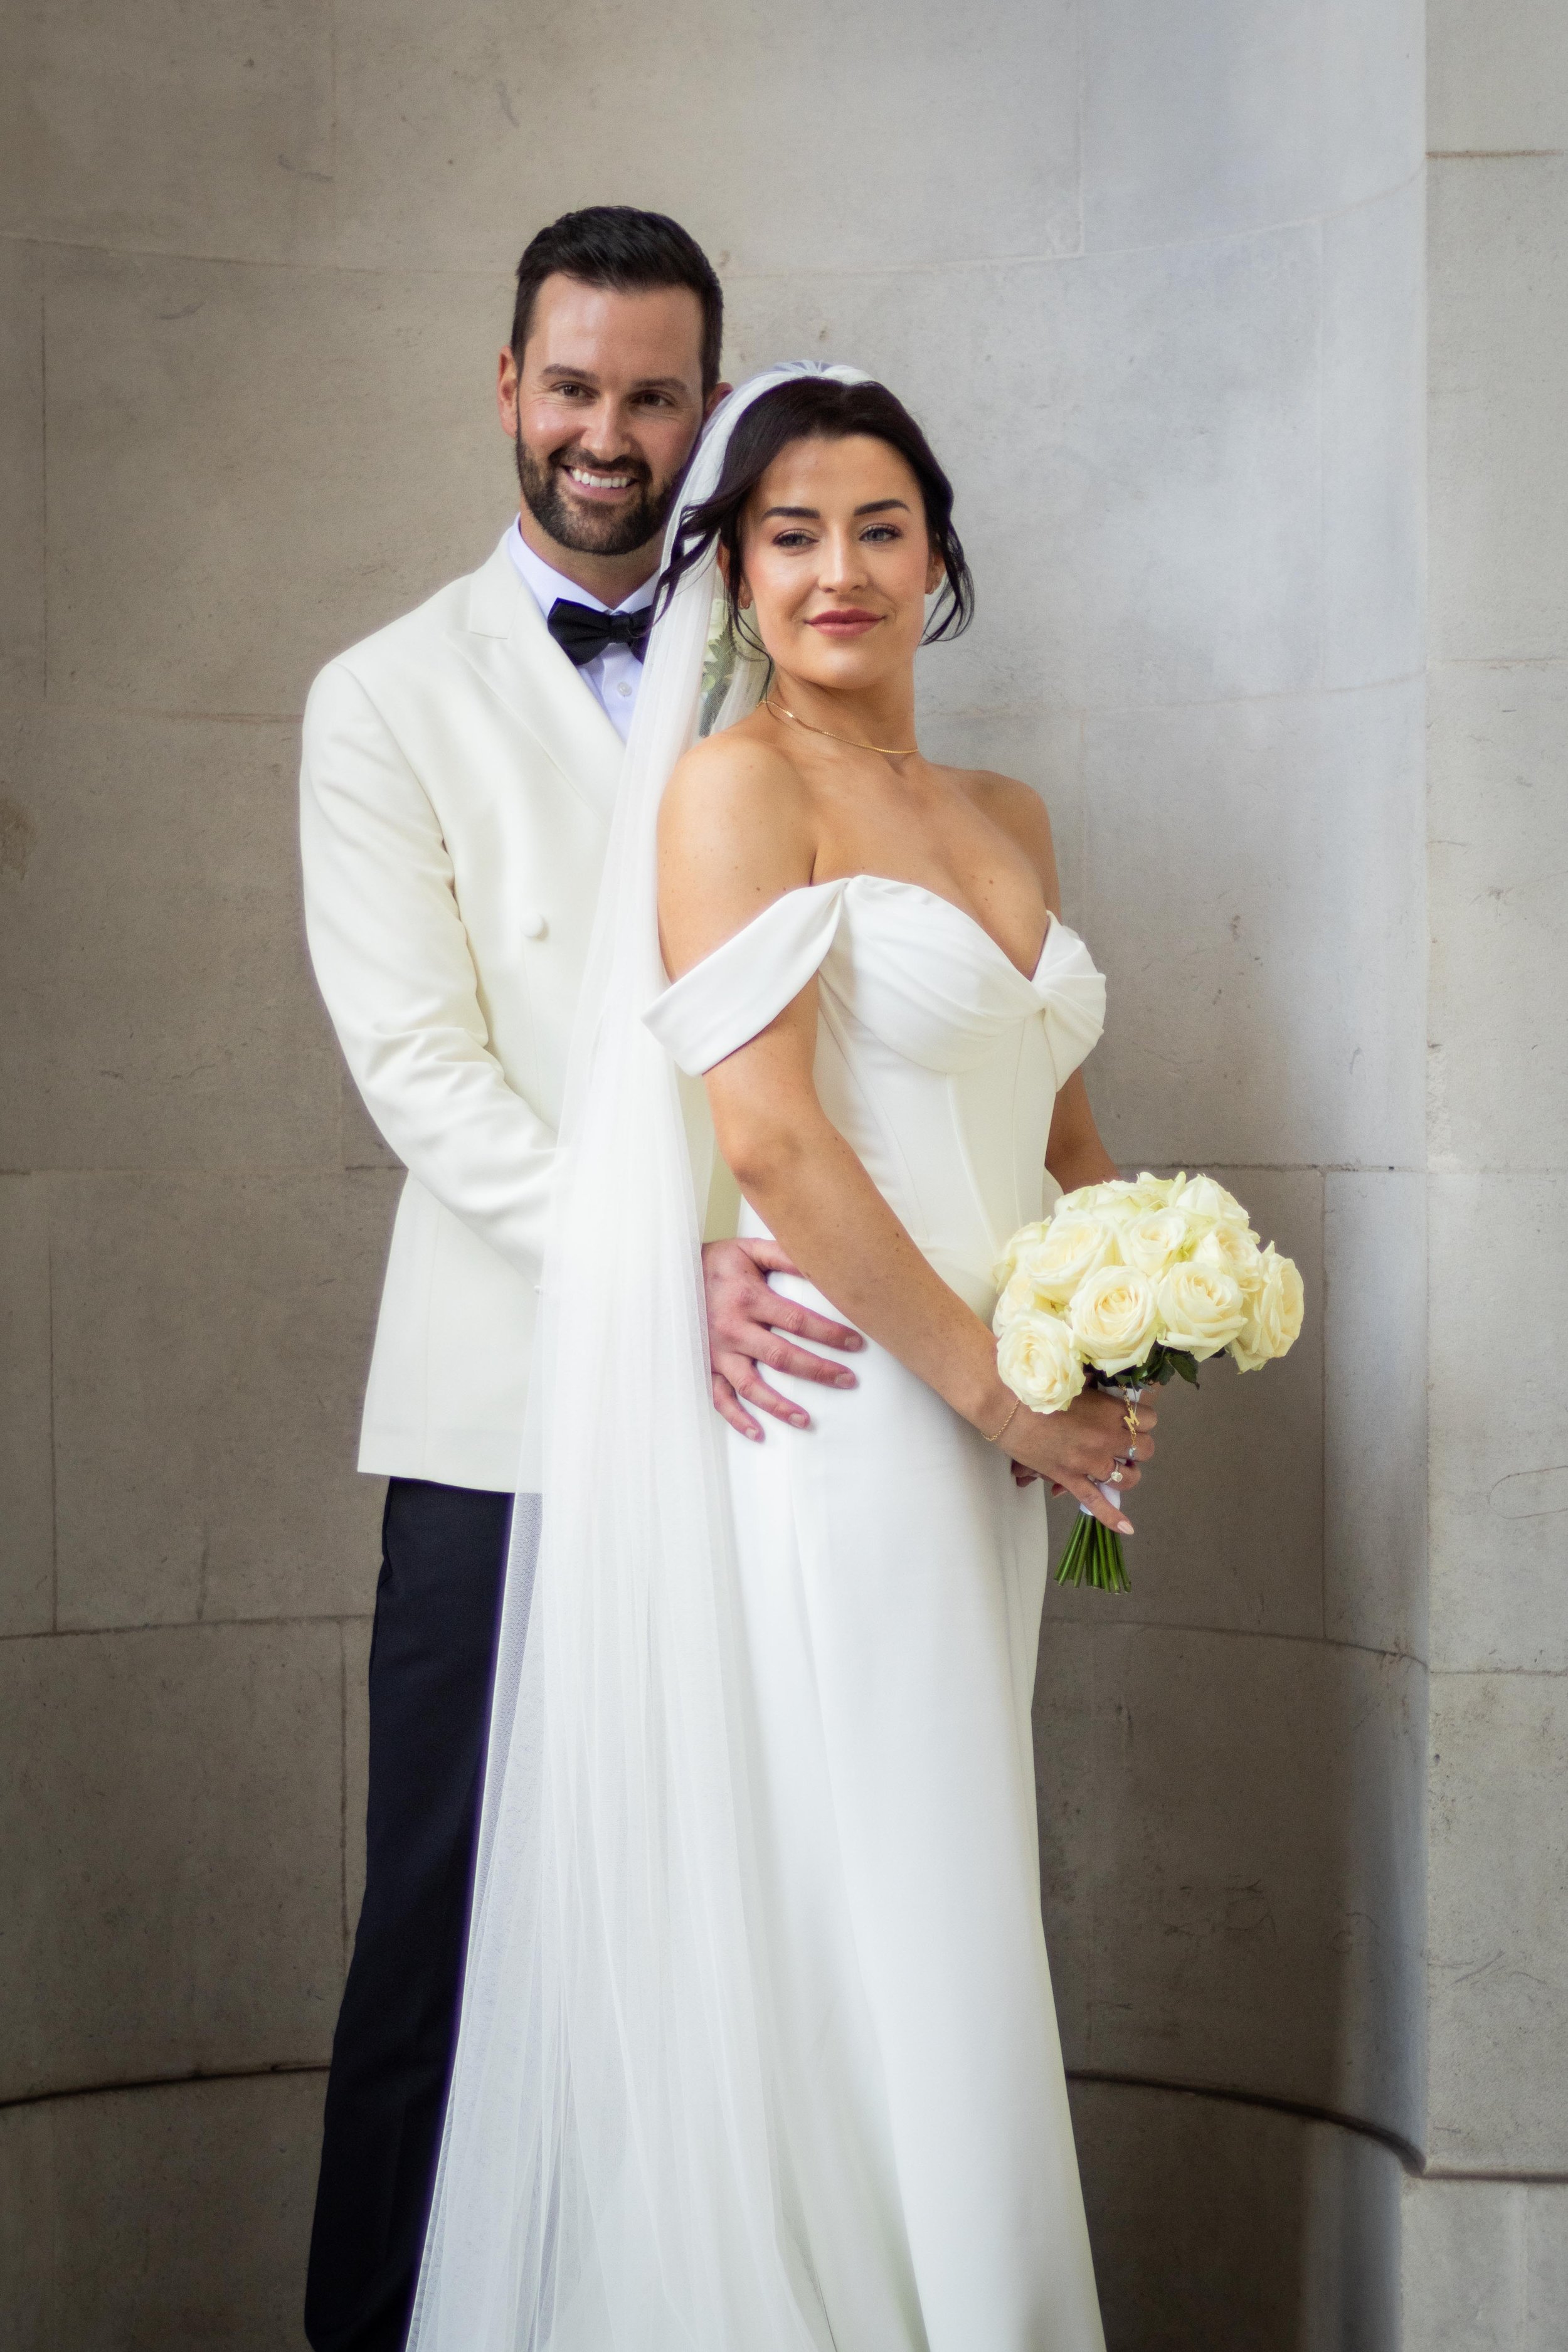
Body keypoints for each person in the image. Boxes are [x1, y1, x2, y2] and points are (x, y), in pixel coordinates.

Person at [408, 368, 1155, 2350]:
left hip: (1005, 1430)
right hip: (852, 1403)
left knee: (930, 1871)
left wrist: (1132, 1296)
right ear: (733, 568)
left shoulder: (1006, 812)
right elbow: (769, 1141)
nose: (840, 569)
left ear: (940, 558)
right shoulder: (738, 788)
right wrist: (996, 1390)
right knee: (897, 1885)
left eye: (880, 527)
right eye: (792, 532)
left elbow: (1057, 1118)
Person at [298, 214, 865, 2352]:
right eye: (573, 387)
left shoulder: (783, 645)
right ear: (504, 387)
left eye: (653, 397)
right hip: (505, 1400)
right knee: (439, 1937)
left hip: (770, 1388)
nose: (607, 436)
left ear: (704, 408)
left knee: (733, 1935)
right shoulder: (384, 693)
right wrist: (658, 1272)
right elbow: (423, 1072)